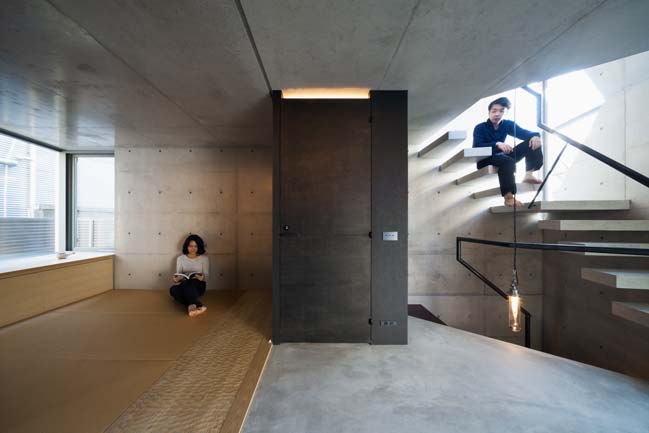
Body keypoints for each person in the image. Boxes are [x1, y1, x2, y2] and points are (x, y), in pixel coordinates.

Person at [473, 96, 543, 207]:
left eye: (501, 111)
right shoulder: (480, 127)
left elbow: (524, 133)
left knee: (533, 141)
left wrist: (535, 136)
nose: (497, 114)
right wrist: (497, 144)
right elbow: (477, 146)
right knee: (507, 161)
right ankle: (508, 197)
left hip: (502, 156)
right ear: (489, 112)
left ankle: (529, 174)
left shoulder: (507, 124)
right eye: (494, 111)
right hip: (486, 159)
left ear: (505, 113)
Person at [170, 234, 209, 317]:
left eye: (195, 246)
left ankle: (195, 305)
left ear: (199, 247)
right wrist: (176, 279)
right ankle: (195, 306)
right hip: (184, 283)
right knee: (173, 289)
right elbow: (178, 274)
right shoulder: (180, 258)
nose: (193, 248)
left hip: (198, 285)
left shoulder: (204, 259)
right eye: (190, 246)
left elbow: (207, 276)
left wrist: (202, 277)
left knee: (189, 283)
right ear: (186, 246)